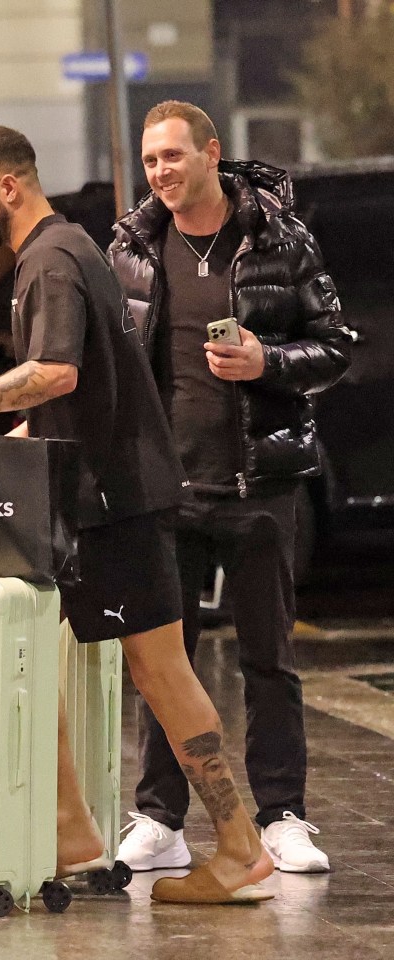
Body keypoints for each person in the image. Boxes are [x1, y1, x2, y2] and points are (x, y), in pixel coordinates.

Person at [0, 124, 275, 903]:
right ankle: (72, 826)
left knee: (160, 671)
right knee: (38, 643)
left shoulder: (49, 259)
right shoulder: (69, 247)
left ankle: (240, 846)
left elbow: (58, 370)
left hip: (116, 502)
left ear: (9, 186)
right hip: (101, 496)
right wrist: (20, 428)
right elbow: (89, 377)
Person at [109, 101, 353, 875]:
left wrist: (268, 364)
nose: (161, 173)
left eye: (173, 156)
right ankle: (160, 816)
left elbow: (337, 345)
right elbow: (117, 362)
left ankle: (282, 815)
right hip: (166, 487)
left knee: (267, 658)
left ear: (212, 153)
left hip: (257, 482)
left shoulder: (278, 239)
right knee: (161, 661)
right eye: (151, 161)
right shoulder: (134, 247)